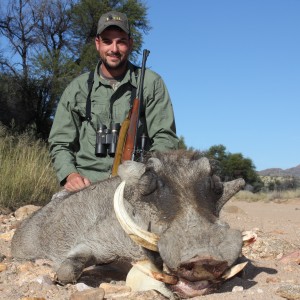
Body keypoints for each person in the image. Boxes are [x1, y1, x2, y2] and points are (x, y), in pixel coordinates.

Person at [49, 11, 179, 192]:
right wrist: (70, 175)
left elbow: (165, 138)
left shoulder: (151, 82)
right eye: (107, 41)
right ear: (97, 44)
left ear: (130, 44)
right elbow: (60, 143)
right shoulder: (77, 88)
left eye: (121, 41)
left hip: (137, 184)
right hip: (87, 186)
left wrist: (147, 173)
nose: (114, 49)